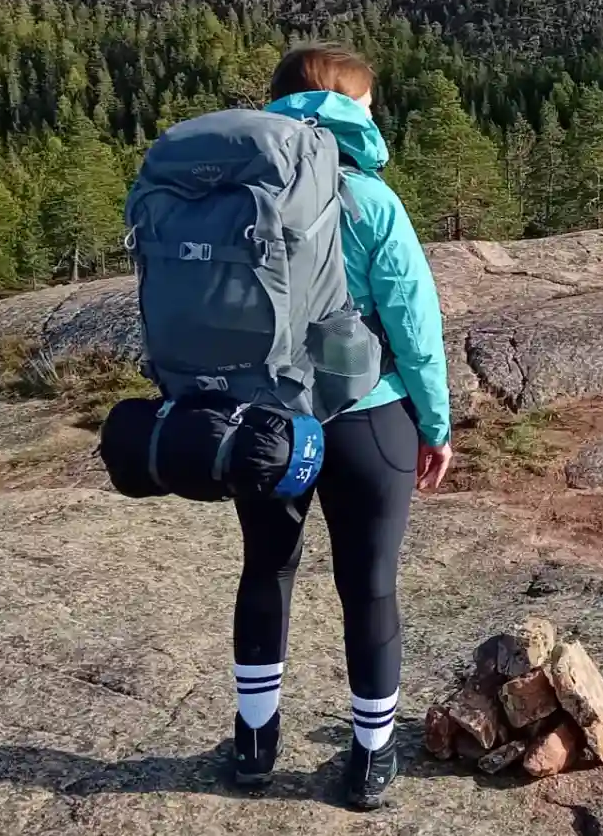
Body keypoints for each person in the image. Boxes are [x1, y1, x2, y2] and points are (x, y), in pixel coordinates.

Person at [229, 44, 453, 810]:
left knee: (267, 568)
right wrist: (436, 422)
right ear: (355, 113)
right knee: (370, 587)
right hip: (366, 419)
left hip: (267, 424)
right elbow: (415, 326)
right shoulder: (371, 201)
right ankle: (370, 758)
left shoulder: (239, 193)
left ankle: (254, 744)